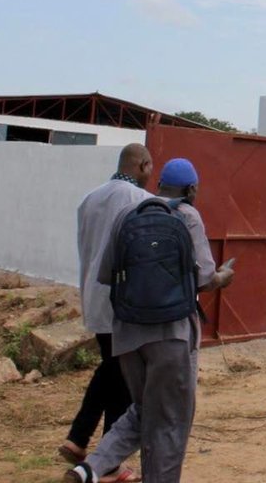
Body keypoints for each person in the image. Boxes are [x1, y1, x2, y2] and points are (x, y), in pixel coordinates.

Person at [64, 158, 235, 483]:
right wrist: (224, 277)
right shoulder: (187, 216)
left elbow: (105, 275)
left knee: (144, 410)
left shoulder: (129, 215)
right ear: (192, 189)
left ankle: (91, 468)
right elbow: (205, 278)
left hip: (127, 333)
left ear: (159, 185)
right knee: (172, 421)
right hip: (171, 335)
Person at [58, 143, 153, 480]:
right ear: (142, 165)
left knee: (111, 369)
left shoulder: (90, 198)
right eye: (150, 168)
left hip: (94, 299)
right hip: (122, 302)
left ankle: (78, 438)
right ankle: (107, 461)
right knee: (123, 379)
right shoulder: (138, 201)